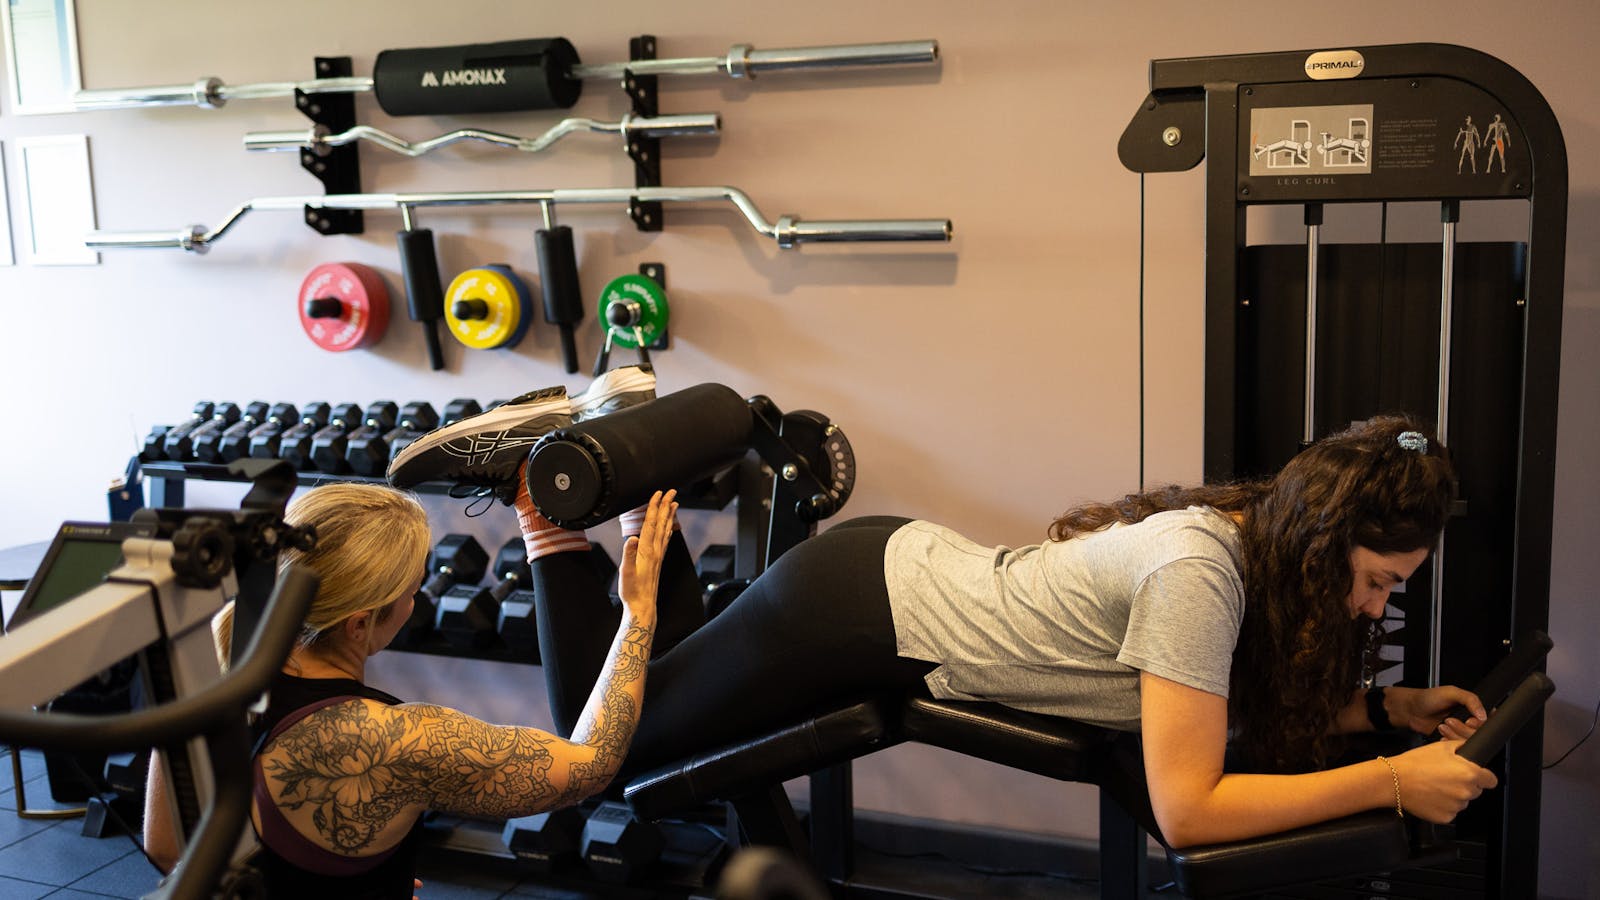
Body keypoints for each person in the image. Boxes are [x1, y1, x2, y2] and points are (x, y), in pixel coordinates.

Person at [389, 370, 1496, 850]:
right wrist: (1395, 780)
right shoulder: (1201, 574)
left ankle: (624, 438)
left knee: (657, 686)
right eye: (1376, 580)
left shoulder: (1249, 544)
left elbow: (1214, 712)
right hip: (861, 610)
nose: (1372, 606)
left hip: (888, 586)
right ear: (1322, 542)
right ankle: (542, 497)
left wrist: (1385, 713)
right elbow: (1190, 807)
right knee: (600, 747)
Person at [143, 433, 679, 897]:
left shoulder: (209, 668)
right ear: (360, 624)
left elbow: (167, 847)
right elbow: (592, 763)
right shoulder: (401, 741)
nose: (415, 604)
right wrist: (637, 614)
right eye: (411, 591)